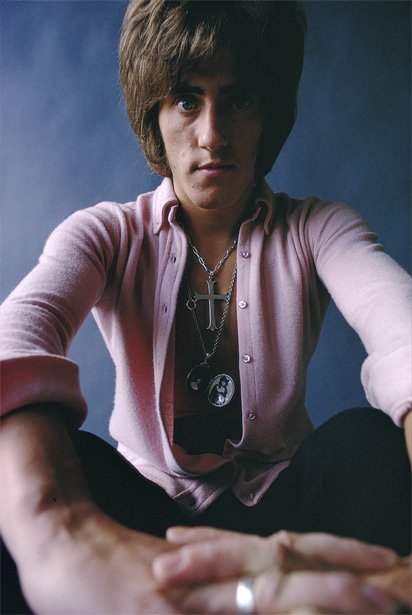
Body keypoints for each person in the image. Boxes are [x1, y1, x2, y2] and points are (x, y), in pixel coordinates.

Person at [1, 1, 411, 613]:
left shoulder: (319, 229)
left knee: (370, 443)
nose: (212, 135)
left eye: (238, 100)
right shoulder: (106, 234)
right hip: (141, 516)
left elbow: (403, 333)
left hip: (288, 510)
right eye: (187, 100)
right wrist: (62, 534)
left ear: (266, 113)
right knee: (32, 466)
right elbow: (15, 342)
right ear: (155, 114)